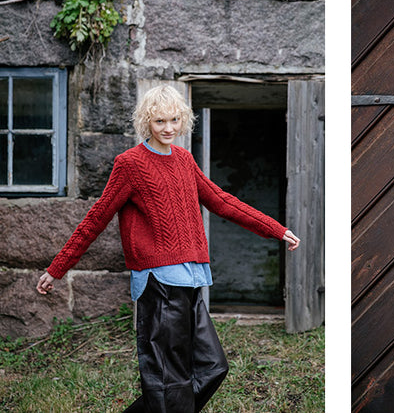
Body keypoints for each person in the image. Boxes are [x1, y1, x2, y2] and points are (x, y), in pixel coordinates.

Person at [36, 85, 301, 412]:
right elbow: (97, 217)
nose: (169, 128)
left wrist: (277, 229)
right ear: (147, 121)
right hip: (158, 283)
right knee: (168, 379)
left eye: (175, 119)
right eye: (160, 121)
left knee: (212, 366)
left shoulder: (184, 160)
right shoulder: (130, 164)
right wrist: (57, 269)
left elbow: (221, 202)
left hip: (190, 280)